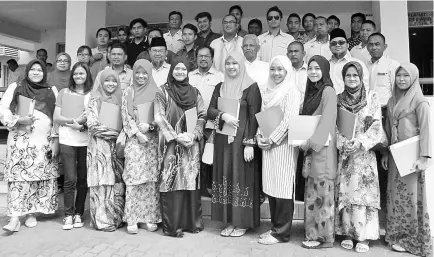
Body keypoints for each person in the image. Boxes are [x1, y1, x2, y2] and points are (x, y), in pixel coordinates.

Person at [1, 59, 59, 232]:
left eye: (39, 70)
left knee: (36, 178)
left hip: (43, 142)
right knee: (18, 178)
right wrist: (19, 120)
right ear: (27, 71)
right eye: (32, 69)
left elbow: (57, 115)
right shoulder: (15, 87)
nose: (36, 72)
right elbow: (3, 109)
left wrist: (55, 139)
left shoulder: (51, 90)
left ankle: (31, 213)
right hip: (20, 140)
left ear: (44, 72)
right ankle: (14, 217)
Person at [208, 52, 262, 237]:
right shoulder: (220, 87)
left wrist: (249, 144)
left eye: (235, 63)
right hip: (223, 141)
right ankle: (230, 220)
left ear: (241, 65)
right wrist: (223, 116)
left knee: (242, 178)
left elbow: (255, 116)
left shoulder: (251, 87)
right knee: (227, 177)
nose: (231, 67)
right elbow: (210, 110)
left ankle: (243, 223)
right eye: (228, 63)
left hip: (241, 143)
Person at [381, 63, 432, 256]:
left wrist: (424, 157)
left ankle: (410, 239)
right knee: (394, 196)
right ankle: (395, 235)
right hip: (395, 154)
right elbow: (387, 128)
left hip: (411, 157)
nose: (401, 79)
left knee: (410, 198)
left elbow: (426, 130)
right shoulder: (392, 100)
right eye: (398, 75)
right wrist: (385, 152)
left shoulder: (420, 101)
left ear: (414, 78)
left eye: (406, 76)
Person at [335, 62, 384, 253]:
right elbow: (336, 126)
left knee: (364, 195)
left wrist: (360, 141)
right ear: (343, 77)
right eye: (348, 75)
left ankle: (364, 237)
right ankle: (348, 233)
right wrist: (342, 142)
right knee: (347, 194)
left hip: (364, 154)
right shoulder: (339, 99)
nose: (352, 78)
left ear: (361, 76)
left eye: (355, 75)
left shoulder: (371, 97)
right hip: (346, 154)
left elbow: (376, 126)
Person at [154, 58, 205, 237]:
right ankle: (173, 226)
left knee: (189, 180)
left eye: (184, 69)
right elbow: (159, 117)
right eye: (177, 68)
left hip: (191, 145)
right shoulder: (162, 91)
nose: (181, 72)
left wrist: (194, 134)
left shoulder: (195, 92)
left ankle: (191, 224)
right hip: (171, 146)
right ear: (171, 70)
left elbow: (202, 115)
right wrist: (177, 137)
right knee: (171, 181)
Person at [256, 55, 301, 245]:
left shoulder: (291, 90)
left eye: (280, 69)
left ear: (287, 71)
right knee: (271, 187)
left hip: (283, 146)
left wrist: (272, 140)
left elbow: (289, 120)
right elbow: (263, 115)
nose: (276, 73)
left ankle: (281, 233)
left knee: (282, 188)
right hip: (268, 145)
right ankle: (275, 227)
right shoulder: (267, 90)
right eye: (273, 69)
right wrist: (259, 137)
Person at [300, 55, 337, 249]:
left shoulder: (328, 91)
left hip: (322, 150)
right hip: (312, 150)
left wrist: (310, 143)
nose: (313, 72)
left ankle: (325, 238)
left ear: (325, 70)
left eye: (317, 68)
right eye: (310, 68)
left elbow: (326, 122)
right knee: (313, 194)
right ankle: (312, 234)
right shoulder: (312, 91)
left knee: (323, 195)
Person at [121, 59, 161, 234]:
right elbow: (125, 115)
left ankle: (149, 217)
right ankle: (132, 218)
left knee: (150, 181)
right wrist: (138, 133)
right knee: (134, 180)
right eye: (138, 72)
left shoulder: (157, 92)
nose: (141, 76)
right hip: (135, 141)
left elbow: (162, 116)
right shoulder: (128, 92)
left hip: (152, 142)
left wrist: (151, 126)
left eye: (145, 72)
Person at [54, 62, 93, 230]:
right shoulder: (64, 92)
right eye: (76, 74)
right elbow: (57, 117)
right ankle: (68, 215)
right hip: (67, 140)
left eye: (82, 74)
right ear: (72, 75)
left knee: (83, 179)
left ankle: (79, 213)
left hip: (85, 140)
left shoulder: (92, 95)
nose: (78, 76)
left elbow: (93, 118)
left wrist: (82, 123)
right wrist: (74, 121)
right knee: (70, 178)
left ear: (87, 76)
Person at [87, 69, 125, 232]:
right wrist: (116, 133)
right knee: (100, 183)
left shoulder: (122, 100)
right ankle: (101, 221)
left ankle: (115, 218)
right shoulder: (94, 100)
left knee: (116, 184)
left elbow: (128, 122)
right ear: (101, 82)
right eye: (107, 81)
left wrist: (123, 132)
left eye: (114, 81)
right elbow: (93, 126)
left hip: (116, 150)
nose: (111, 84)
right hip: (99, 149)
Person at [366, 33, 400, 210]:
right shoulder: (365, 65)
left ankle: (387, 211)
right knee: (372, 159)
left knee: (386, 160)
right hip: (369, 116)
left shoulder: (392, 66)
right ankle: (375, 207)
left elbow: (397, 92)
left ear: (385, 46)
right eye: (370, 44)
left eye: (377, 44)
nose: (373, 47)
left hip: (386, 114)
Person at [188, 46, 224, 196]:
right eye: (200, 56)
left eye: (206, 56)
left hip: (211, 123)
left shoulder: (220, 77)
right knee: (193, 155)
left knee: (209, 157)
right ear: (196, 58)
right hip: (192, 123)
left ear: (212, 58)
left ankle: (210, 188)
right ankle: (195, 187)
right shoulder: (189, 76)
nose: (203, 59)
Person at [328, 28, 369, 95]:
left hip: (351, 104)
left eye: (341, 42)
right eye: (334, 43)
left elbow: (364, 89)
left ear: (348, 45)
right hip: (329, 104)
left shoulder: (357, 64)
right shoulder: (325, 65)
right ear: (329, 47)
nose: (337, 45)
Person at [287, 41, 307, 107]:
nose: (293, 54)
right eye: (290, 52)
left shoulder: (310, 72)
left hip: (307, 111)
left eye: (296, 51)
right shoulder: (283, 72)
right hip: (286, 110)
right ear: (287, 55)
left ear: (303, 54)